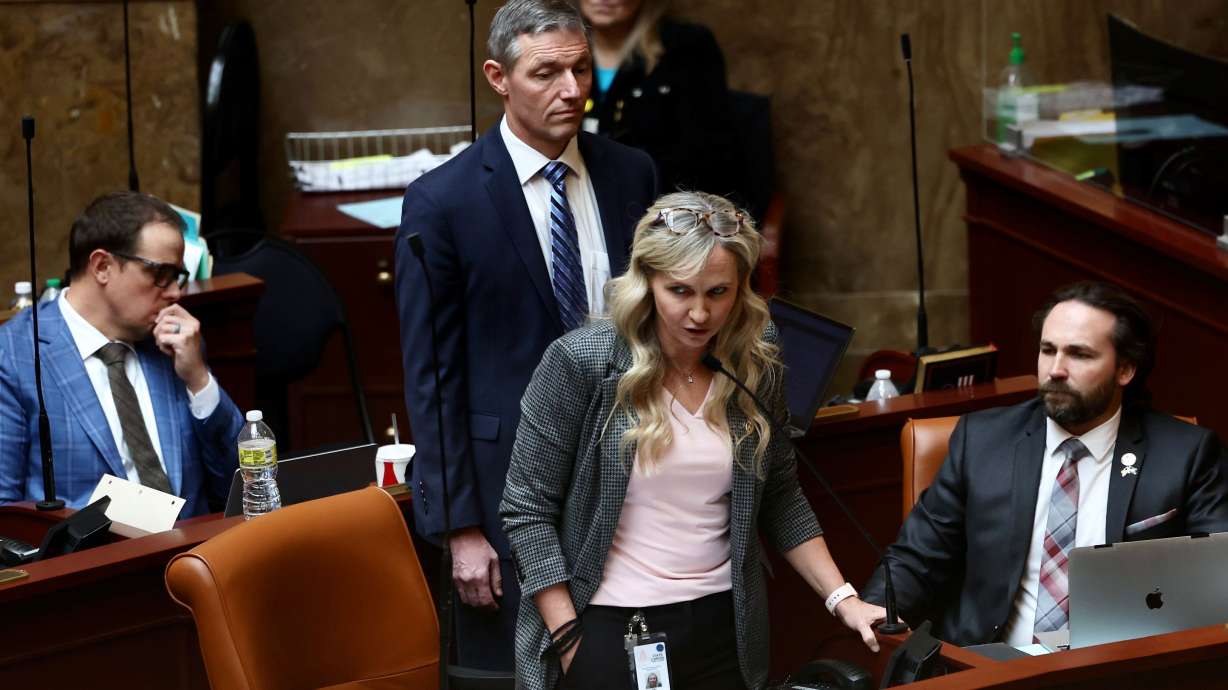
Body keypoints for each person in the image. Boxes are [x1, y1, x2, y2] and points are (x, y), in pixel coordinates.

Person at [501, 191, 885, 690]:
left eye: (717, 292)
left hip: (724, 629)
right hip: (611, 628)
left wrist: (844, 599)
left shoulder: (754, 363)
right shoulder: (584, 362)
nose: (699, 314)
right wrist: (571, 639)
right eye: (679, 291)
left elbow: (781, 494)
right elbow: (525, 507)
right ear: (647, 283)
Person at [394, 0, 657, 670]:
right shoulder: (443, 202)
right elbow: (433, 375)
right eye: (546, 74)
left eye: (580, 69)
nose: (571, 90)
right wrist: (460, 529)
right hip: (508, 494)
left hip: (632, 477)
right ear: (498, 76)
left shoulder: (632, 174)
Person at [863, 281, 1228, 646]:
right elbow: (918, 558)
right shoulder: (982, 441)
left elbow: (1218, 583)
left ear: (1125, 370)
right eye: (1047, 350)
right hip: (991, 669)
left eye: (1079, 355)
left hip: (1120, 669)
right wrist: (879, 608)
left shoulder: (1186, 455)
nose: (1055, 369)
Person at [0, 191, 244, 517]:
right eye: (161, 274)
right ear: (102, 266)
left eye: (179, 277)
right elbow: (6, 513)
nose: (175, 292)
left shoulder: (177, 344)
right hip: (90, 563)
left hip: (193, 555)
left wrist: (199, 380)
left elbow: (241, 485)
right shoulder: (15, 355)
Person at [579, 0, 741, 205]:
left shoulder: (687, 47)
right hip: (580, 201)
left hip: (662, 207)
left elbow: (707, 157)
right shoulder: (554, 49)